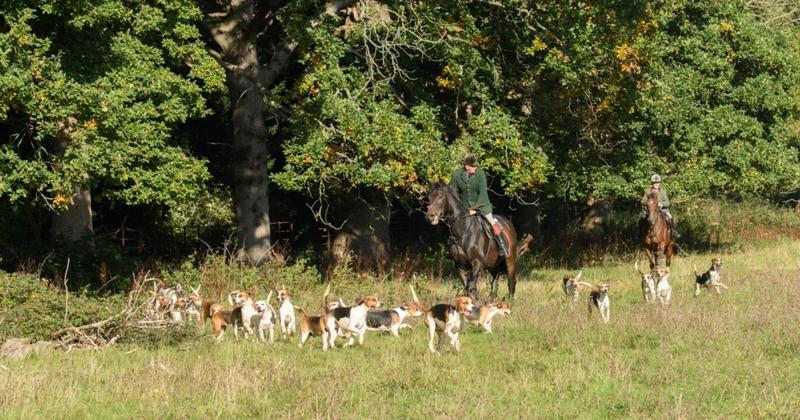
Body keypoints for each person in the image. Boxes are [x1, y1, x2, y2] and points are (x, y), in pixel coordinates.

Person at [450, 153, 509, 256]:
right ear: (467, 166)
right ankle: (452, 249)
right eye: (473, 166)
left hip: (482, 206)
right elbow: (454, 193)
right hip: (464, 208)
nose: (475, 168)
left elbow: (483, 193)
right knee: (453, 224)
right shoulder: (456, 175)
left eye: (476, 166)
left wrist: (475, 209)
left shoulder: (480, 174)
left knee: (491, 222)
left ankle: (502, 246)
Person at [640, 174, 680, 239]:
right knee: (642, 218)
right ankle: (640, 233)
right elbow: (642, 201)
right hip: (650, 210)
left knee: (669, 217)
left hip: (662, 210)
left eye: (657, 183)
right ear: (652, 183)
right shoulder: (647, 191)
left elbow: (667, 202)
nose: (656, 184)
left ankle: (673, 232)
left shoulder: (663, 192)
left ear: (659, 183)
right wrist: (649, 203)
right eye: (654, 183)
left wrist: (661, 204)